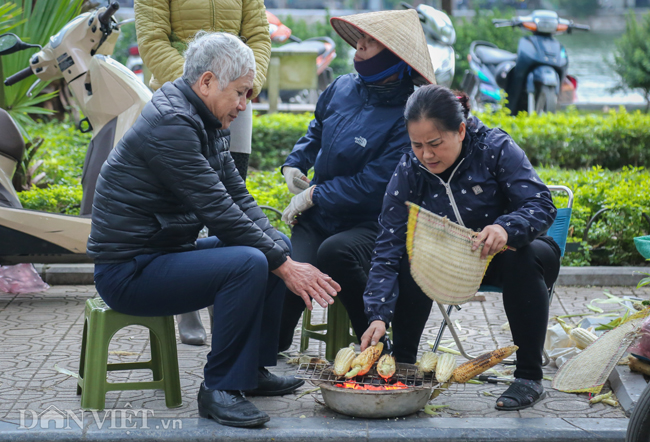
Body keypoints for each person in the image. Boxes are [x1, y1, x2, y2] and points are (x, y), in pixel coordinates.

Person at [87, 32, 340, 428]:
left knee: (275, 246)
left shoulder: (203, 117)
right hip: (128, 270)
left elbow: (237, 197)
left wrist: (282, 254)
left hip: (163, 252)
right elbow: (219, 211)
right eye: (239, 93)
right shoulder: (173, 124)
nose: (243, 105)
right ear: (206, 82)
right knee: (249, 262)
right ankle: (219, 388)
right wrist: (286, 267)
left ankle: (250, 372)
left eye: (248, 94)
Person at [360, 85, 561, 411]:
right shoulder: (411, 168)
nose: (426, 154)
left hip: (508, 253)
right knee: (409, 255)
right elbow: (388, 243)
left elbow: (540, 204)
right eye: (417, 145)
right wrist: (378, 314)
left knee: (522, 259)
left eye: (435, 144)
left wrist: (505, 228)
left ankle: (528, 376)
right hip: (446, 259)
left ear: (461, 130)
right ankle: (405, 363)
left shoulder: (495, 148)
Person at [277, 9, 436, 352]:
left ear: (396, 57)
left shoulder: (410, 114)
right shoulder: (342, 86)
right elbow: (316, 130)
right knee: (288, 263)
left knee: (336, 252)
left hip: (371, 223)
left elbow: (374, 185)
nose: (358, 47)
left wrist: (315, 194)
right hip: (320, 217)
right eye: (359, 39)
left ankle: (377, 344)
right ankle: (266, 352)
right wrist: (294, 163)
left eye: (370, 42)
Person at [134, 0, 272, 344]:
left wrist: (244, 84)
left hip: (230, 92)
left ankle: (225, 295)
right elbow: (152, 40)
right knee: (188, 199)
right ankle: (188, 302)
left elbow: (258, 35)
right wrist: (198, 89)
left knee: (230, 193)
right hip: (185, 94)